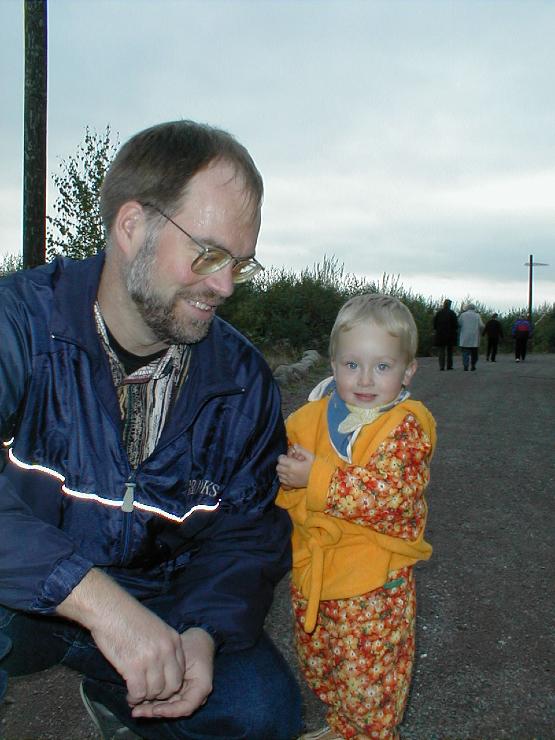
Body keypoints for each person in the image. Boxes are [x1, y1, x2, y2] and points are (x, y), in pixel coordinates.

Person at [0, 120, 302, 739]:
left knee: (262, 714)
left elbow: (248, 531)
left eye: (239, 264)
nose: (224, 286)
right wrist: (97, 602)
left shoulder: (242, 382)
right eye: (208, 253)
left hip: (160, 597)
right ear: (132, 226)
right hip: (20, 589)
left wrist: (204, 629)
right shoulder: (18, 325)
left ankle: (121, 702)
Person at [276, 294, 436, 740]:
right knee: (323, 662)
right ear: (333, 364)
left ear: (407, 371)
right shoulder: (310, 417)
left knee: (369, 680)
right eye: (352, 365)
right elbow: (282, 478)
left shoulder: (404, 426)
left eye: (382, 366)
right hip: (317, 574)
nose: (365, 379)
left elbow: (391, 497)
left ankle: (367, 732)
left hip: (373, 585)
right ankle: (342, 726)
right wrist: (287, 481)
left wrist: (315, 479)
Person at [433, 298, 458, 370]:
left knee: (441, 350)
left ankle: (441, 366)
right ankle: (449, 366)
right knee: (449, 351)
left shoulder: (439, 313)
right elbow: (456, 325)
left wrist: (436, 330)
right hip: (450, 335)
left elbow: (434, 324)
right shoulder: (452, 313)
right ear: (450, 305)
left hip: (440, 334)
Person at [458, 303, 484, 371]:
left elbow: (459, 323)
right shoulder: (477, 315)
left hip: (465, 337)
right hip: (474, 337)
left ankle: (465, 366)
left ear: (467, 308)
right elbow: (481, 325)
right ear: (474, 308)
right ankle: (473, 365)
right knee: (474, 353)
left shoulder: (463, 315)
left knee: (465, 353)